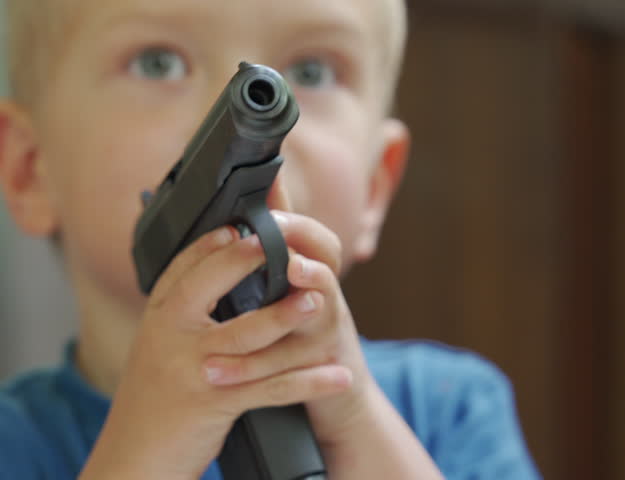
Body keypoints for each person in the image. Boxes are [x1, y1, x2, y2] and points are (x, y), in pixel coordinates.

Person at [0, 0, 541, 478]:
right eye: (158, 63)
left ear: (376, 186)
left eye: (311, 70)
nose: (224, 113)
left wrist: (354, 421)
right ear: (29, 169)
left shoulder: (450, 411)